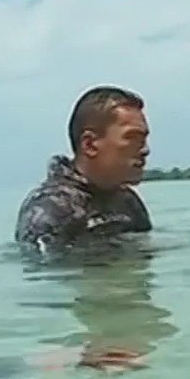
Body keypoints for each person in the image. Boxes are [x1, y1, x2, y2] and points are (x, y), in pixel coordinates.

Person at [14, 86, 153, 257]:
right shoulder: (51, 209)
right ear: (90, 144)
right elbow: (41, 274)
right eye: (132, 138)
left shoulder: (128, 202)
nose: (145, 150)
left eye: (144, 139)